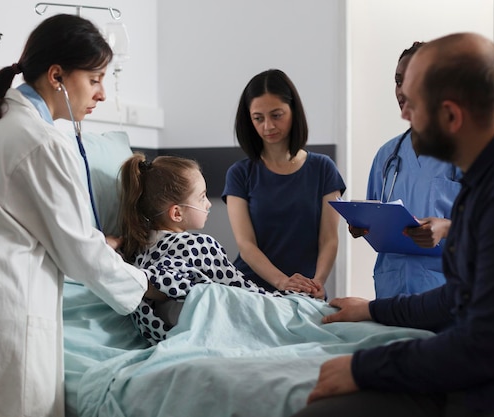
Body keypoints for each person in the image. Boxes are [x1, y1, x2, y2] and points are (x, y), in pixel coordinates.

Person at [295, 33, 494, 417]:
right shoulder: (487, 182)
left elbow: (485, 349)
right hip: (489, 376)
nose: (404, 114)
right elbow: (457, 296)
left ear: (451, 116)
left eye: (413, 105)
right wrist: (373, 310)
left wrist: (362, 368)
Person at [0, 14, 166, 417]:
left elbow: (45, 229)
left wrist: (95, 244)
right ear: (57, 76)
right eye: (95, 79)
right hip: (10, 319)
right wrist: (147, 285)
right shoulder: (37, 143)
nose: (102, 94)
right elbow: (79, 250)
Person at [119, 153, 287, 345]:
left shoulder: (138, 248)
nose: (208, 204)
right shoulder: (198, 246)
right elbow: (244, 293)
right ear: (176, 213)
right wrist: (285, 300)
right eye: (201, 197)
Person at [349, 41, 462, 298]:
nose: (402, 91)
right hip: (392, 291)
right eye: (398, 81)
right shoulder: (387, 157)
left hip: (446, 292)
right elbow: (376, 216)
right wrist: (363, 226)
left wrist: (446, 227)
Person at [222, 69, 346, 300]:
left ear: (293, 112)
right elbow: (246, 245)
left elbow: (329, 238)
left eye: (276, 115)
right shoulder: (239, 174)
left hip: (306, 291)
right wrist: (282, 282)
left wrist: (317, 283)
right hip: (250, 291)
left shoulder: (323, 168)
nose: (268, 126)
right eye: (258, 118)